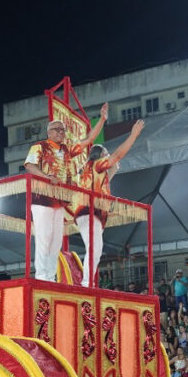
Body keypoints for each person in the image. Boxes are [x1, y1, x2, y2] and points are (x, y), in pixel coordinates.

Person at [24, 108, 106, 282]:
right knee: (44, 236)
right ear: (49, 132)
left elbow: (89, 139)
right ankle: (41, 276)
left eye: (62, 130)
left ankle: (50, 276)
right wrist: (47, 177)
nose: (61, 133)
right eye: (57, 130)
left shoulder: (68, 150)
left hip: (60, 200)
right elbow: (30, 166)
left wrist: (102, 119)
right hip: (42, 197)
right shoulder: (39, 146)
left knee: (56, 240)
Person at [72, 119, 145, 286]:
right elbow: (118, 155)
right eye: (106, 154)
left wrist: (112, 169)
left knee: (95, 249)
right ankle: (86, 283)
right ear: (100, 155)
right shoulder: (95, 164)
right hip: (90, 211)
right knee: (95, 249)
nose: (108, 156)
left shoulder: (91, 170)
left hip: (87, 211)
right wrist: (133, 135)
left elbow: (103, 182)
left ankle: (87, 281)